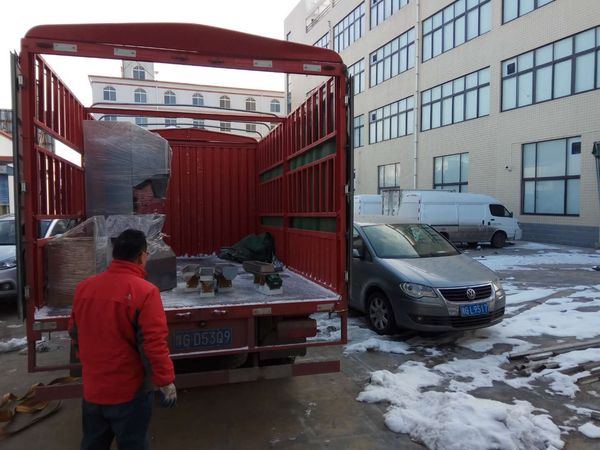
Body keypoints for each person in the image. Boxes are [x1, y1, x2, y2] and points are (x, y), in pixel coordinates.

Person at [69, 229, 177, 450]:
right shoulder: (145, 292)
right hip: (129, 393)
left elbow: (74, 332)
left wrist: (90, 363)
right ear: (141, 256)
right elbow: (153, 344)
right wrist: (165, 381)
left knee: (93, 443)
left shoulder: (84, 287)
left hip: (93, 390)